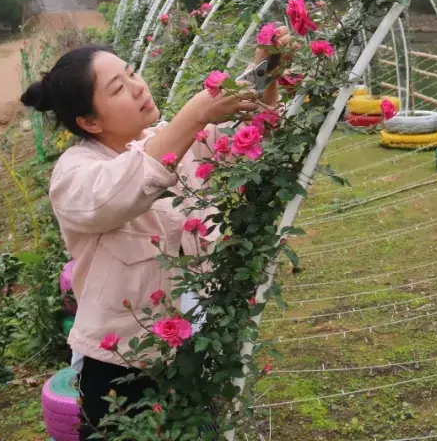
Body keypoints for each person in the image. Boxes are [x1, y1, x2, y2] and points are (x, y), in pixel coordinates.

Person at [21, 32, 288, 440]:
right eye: (118, 88)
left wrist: (267, 66)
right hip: (120, 371)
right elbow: (128, 187)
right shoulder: (75, 174)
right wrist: (195, 113)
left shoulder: (169, 140)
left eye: (131, 74)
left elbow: (250, 135)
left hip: (191, 353)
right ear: (90, 122)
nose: (137, 87)